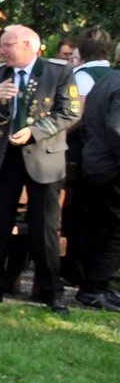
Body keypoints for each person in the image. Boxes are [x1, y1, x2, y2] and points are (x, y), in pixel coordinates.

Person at [0, 24, 80, 310]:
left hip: (43, 156)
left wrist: (35, 131)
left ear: (28, 46)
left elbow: (70, 112)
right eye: (2, 45)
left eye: (8, 45)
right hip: (5, 156)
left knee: (45, 227)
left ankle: (51, 292)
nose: (2, 51)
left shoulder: (57, 72)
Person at [71, 65, 120, 310]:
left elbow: (87, 121)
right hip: (112, 167)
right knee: (115, 230)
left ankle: (93, 284)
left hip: (94, 162)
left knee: (100, 228)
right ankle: (95, 286)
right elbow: (117, 129)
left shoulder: (106, 81)